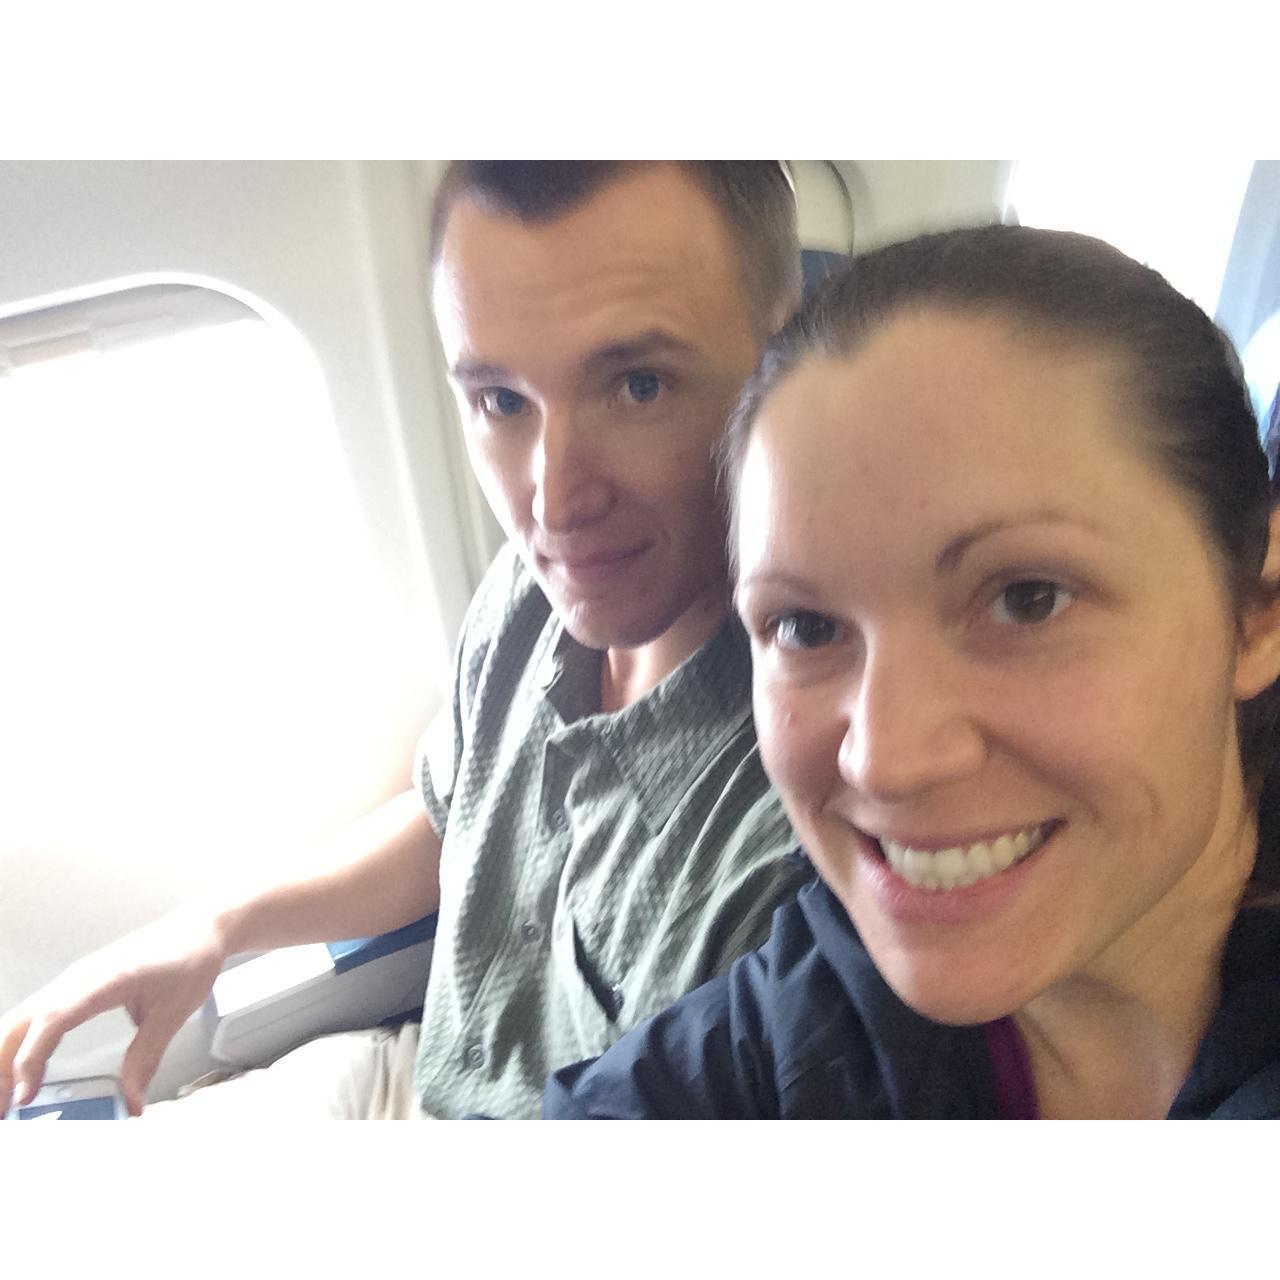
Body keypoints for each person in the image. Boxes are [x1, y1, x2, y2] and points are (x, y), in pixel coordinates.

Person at [0, 162, 813, 1121]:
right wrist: (212, 928)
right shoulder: (532, 594)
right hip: (419, 1073)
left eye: (638, 386)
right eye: (501, 401)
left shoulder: (801, 802)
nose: (552, 502)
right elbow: (449, 819)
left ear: (784, 364)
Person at [543, 223, 1280, 1119]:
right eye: (806, 626)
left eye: (1028, 599)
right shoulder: (817, 996)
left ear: (1257, 611)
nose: (885, 761)